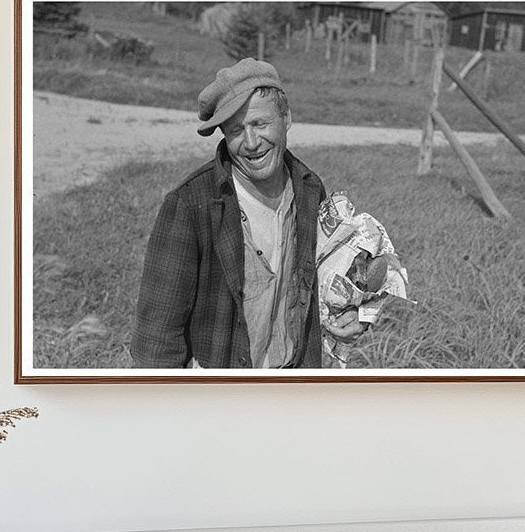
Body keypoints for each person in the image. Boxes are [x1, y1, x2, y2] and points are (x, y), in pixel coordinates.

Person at [130, 57, 362, 368]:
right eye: (236, 130)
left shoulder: (309, 190)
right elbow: (156, 338)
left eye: (260, 124)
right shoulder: (190, 205)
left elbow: (318, 290)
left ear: (286, 117)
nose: (251, 142)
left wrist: (348, 314)